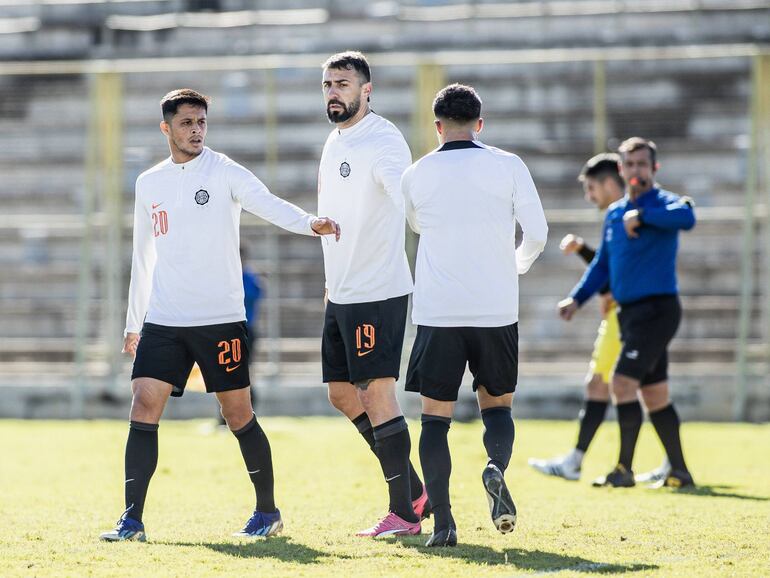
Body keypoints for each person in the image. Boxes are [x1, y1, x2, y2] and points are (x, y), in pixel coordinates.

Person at [99, 89, 340, 542]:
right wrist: (134, 322)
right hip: (165, 320)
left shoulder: (224, 170)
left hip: (220, 320)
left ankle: (267, 513)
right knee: (144, 403)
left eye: (202, 122)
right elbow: (143, 255)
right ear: (166, 128)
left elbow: (266, 202)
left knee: (236, 413)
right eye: (187, 122)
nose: (196, 130)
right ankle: (131, 519)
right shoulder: (149, 183)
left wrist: (310, 222)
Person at [402, 84, 548, 546]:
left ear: (438, 126)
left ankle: (443, 523)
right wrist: (516, 264)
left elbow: (415, 225)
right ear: (480, 124)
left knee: (434, 420)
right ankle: (494, 467)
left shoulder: (417, 172)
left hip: (438, 311)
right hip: (495, 308)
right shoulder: (508, 165)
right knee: (498, 407)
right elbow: (538, 233)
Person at [318, 51, 427, 537]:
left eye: (342, 83)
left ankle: (404, 512)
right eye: (327, 84)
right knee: (342, 393)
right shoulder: (333, 139)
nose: (333, 92)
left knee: (377, 392)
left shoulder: (384, 140)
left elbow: (400, 190)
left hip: (376, 289)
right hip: (340, 289)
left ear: (367, 90)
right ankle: (415, 490)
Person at [558, 137, 695, 489]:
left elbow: (688, 215)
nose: (636, 169)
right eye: (629, 164)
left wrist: (645, 216)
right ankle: (679, 471)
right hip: (631, 314)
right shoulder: (615, 213)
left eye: (642, 163)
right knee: (655, 394)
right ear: (621, 169)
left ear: (654, 168)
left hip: (658, 310)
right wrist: (577, 299)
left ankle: (624, 470)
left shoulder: (662, 203)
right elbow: (602, 265)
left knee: (621, 383)